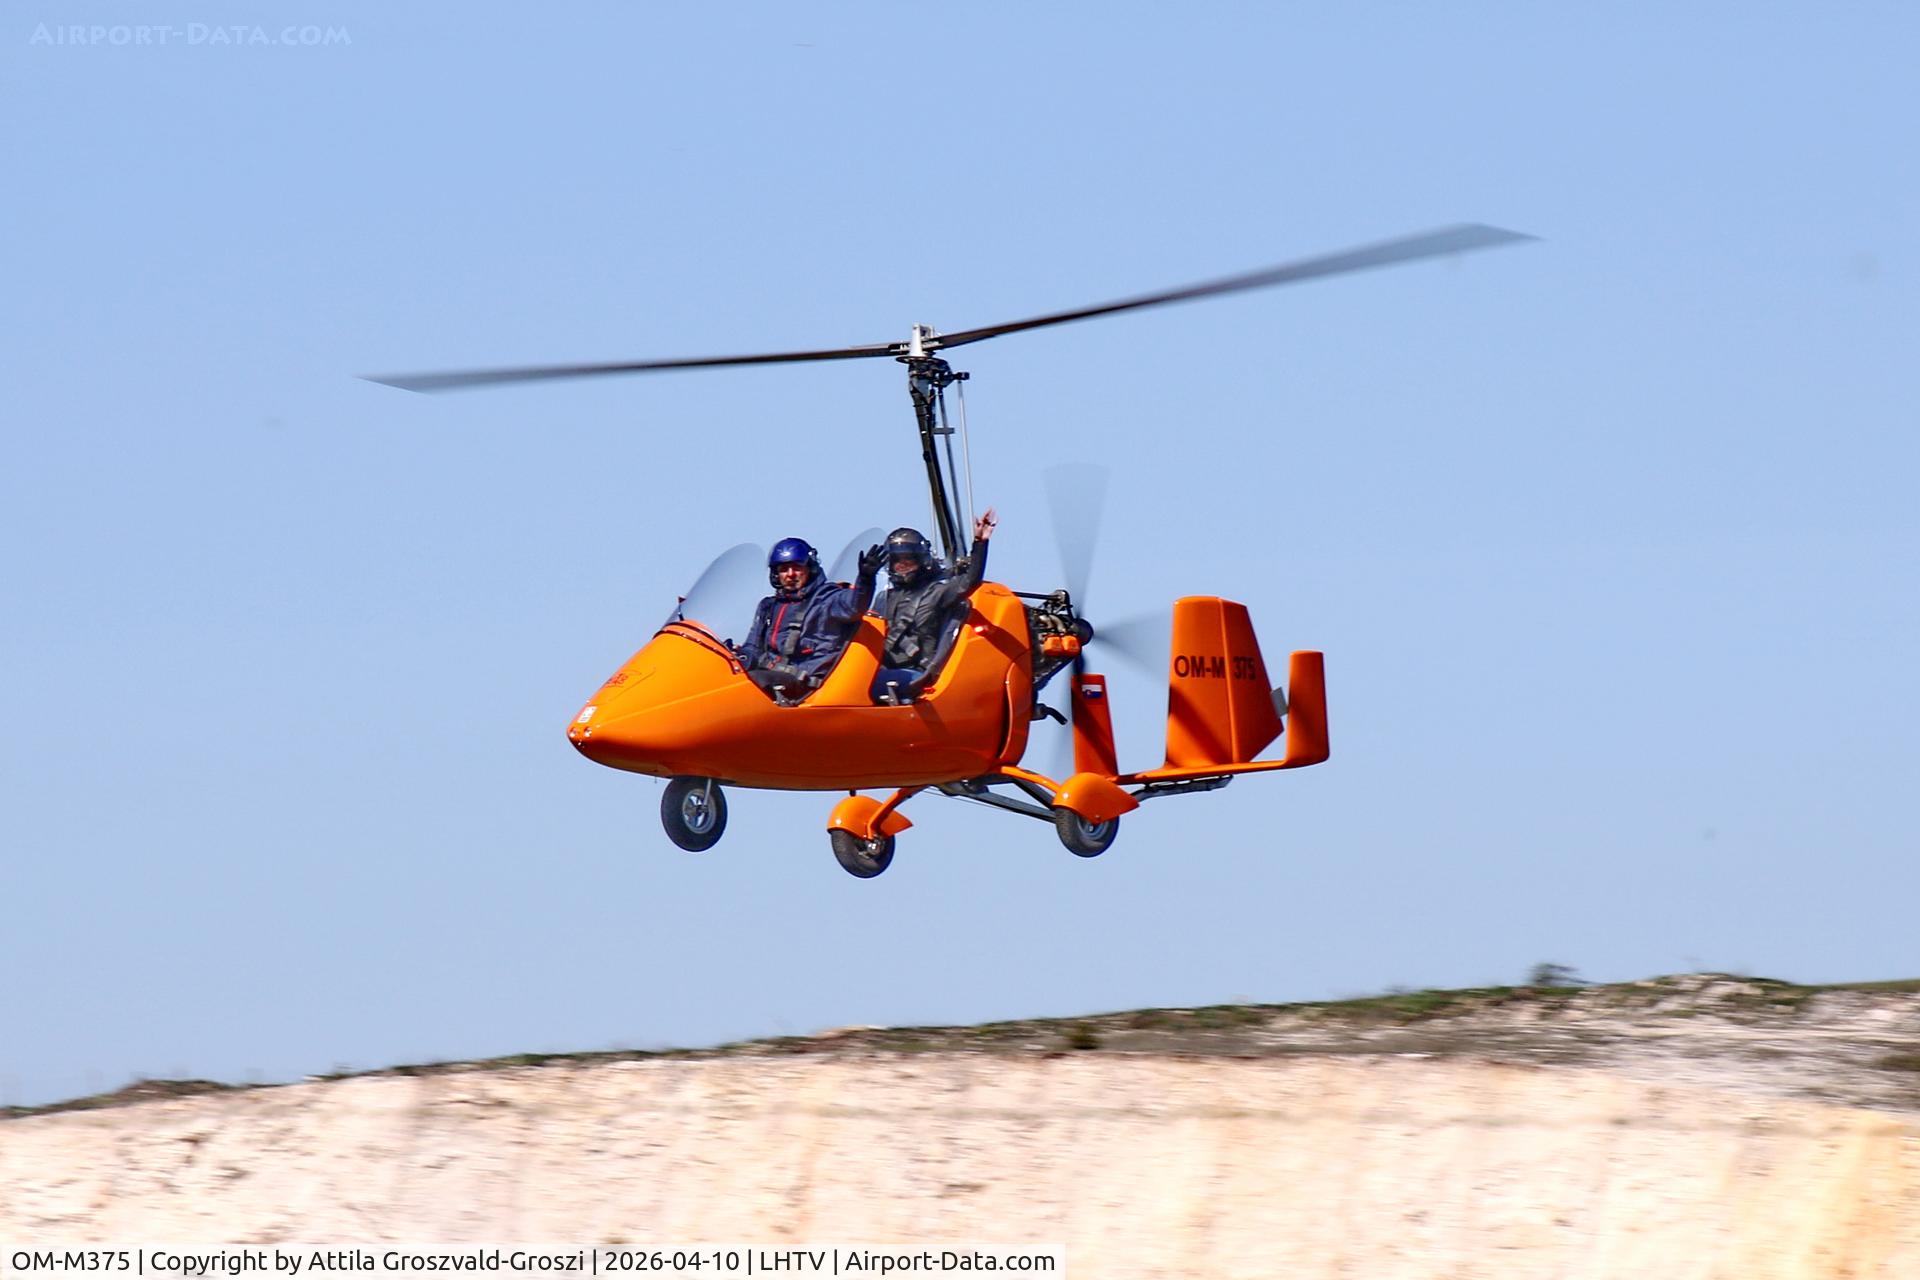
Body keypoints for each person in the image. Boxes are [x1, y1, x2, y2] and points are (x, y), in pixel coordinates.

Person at [869, 509, 997, 704]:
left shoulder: (938, 592)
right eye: (897, 561)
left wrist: (980, 543)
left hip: (916, 672)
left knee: (867, 685)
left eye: (908, 560)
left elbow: (970, 581)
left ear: (921, 561)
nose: (902, 565)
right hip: (882, 668)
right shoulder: (884, 598)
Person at [736, 537, 876, 703]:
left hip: (803, 684)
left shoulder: (827, 600)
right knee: (730, 681)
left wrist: (865, 580)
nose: (790, 574)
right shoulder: (768, 606)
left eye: (797, 567)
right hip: (771, 677)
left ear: (810, 567)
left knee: (752, 682)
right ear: (776, 574)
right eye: (784, 569)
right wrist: (735, 658)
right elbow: (752, 647)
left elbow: (854, 607)